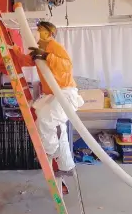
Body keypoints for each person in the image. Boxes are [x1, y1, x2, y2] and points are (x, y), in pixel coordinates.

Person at [12, 21, 84, 176]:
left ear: (49, 32)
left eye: (40, 30)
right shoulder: (40, 48)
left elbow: (67, 65)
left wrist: (47, 56)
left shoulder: (54, 46)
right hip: (53, 94)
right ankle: (65, 165)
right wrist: (15, 50)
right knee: (50, 125)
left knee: (46, 120)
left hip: (64, 92)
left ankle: (50, 152)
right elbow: (27, 61)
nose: (37, 32)